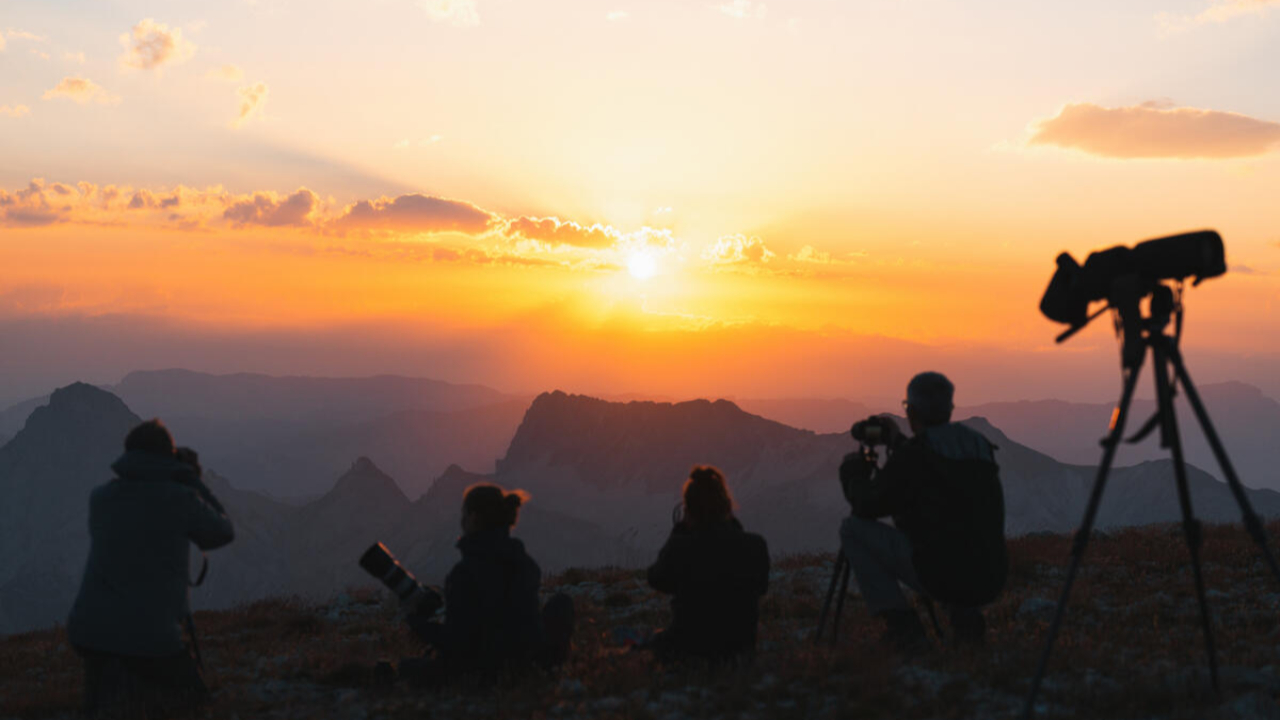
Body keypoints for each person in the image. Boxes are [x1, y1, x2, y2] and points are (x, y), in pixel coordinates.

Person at [67, 419, 235, 718]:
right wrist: (193, 481)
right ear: (167, 457)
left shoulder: (100, 498)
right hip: (151, 636)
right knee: (195, 703)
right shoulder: (179, 499)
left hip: (87, 631)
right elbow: (223, 531)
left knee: (105, 689)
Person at [839, 371, 1007, 652]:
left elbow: (866, 506)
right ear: (950, 408)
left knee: (853, 529)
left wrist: (852, 474)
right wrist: (899, 443)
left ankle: (902, 627)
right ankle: (965, 616)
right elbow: (941, 473)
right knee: (956, 541)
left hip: (940, 576)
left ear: (911, 411)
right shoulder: (978, 445)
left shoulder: (913, 457)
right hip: (990, 577)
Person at [402, 483, 574, 685]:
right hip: (526, 661)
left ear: (474, 518)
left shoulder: (465, 573)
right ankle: (550, 666)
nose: (461, 521)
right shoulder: (525, 564)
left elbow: (457, 642)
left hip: (483, 671)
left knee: (407, 668)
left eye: (464, 514)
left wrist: (418, 623)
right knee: (561, 603)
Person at [647, 466, 771, 663]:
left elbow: (656, 578)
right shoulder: (755, 545)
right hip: (738, 651)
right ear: (727, 506)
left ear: (689, 510)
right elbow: (762, 586)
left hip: (687, 650)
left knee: (654, 642)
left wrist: (678, 533)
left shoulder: (681, 548)